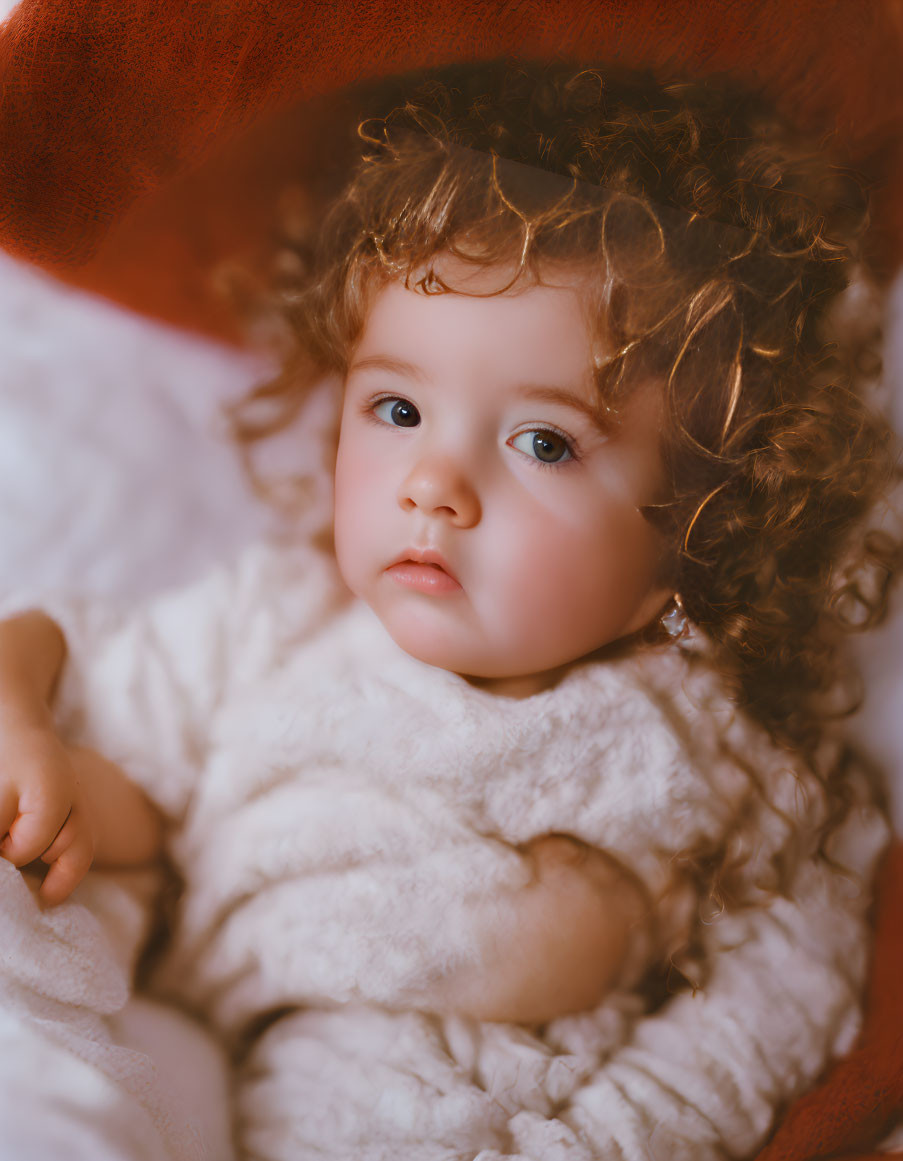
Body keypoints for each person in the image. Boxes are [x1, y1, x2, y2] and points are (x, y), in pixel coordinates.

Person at [0, 61, 895, 1160]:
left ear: (698, 534)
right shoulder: (286, 620)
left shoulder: (721, 760)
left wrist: (595, 1145)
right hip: (208, 1080)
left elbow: (762, 1017)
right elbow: (75, 671)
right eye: (398, 407)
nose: (434, 482)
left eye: (544, 442)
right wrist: (24, 728)